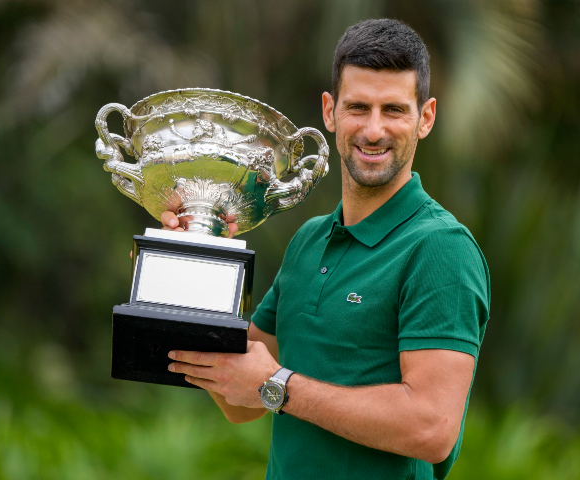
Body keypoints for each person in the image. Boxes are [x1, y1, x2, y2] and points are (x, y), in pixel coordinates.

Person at [160, 18, 490, 480]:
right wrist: (198, 255)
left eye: (393, 109)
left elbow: (432, 428)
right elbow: (241, 399)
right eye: (358, 107)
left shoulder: (440, 248)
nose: (374, 130)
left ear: (426, 118)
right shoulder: (308, 241)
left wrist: (278, 385)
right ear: (330, 111)